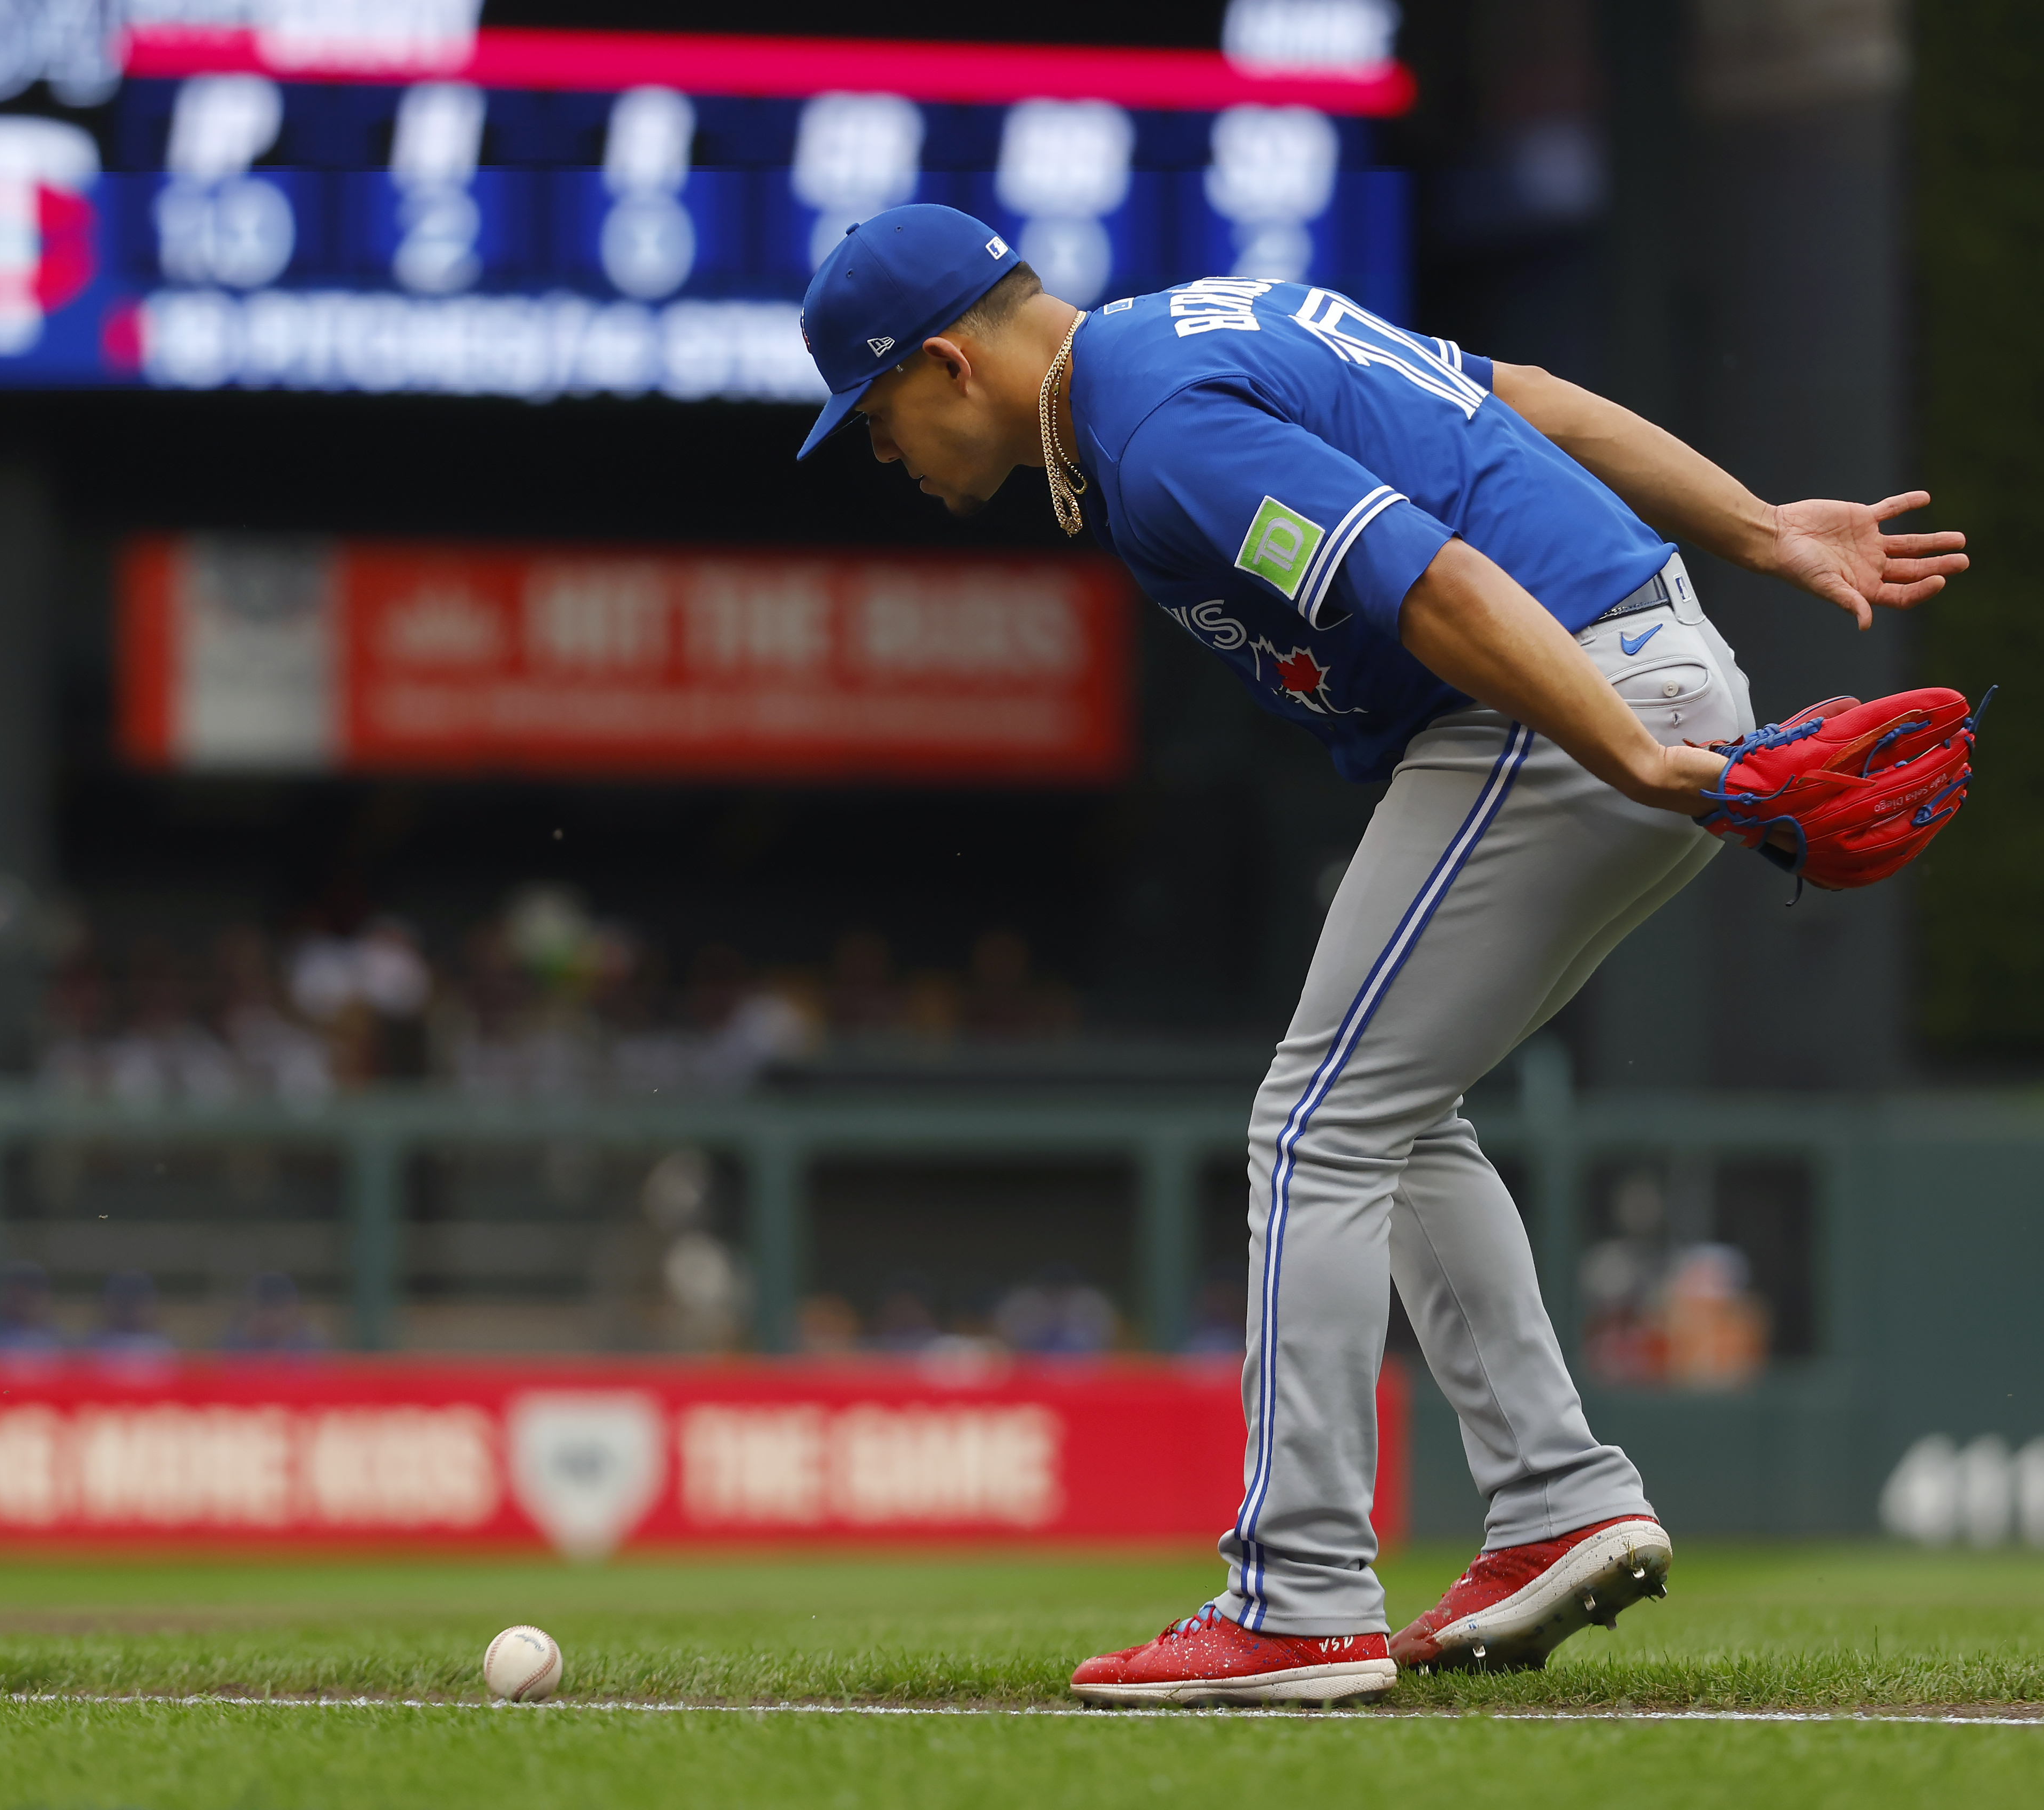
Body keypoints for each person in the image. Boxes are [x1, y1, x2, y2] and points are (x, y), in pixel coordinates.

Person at [793, 206, 1965, 1706]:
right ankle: (1559, 1498)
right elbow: (1521, 399)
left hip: (1566, 701)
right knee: (1394, 1119)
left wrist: (1637, 759)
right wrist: (1755, 528)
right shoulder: (1212, 321)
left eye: (879, 416)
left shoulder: (1155, 428)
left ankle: (1298, 1598)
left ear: (950, 362)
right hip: (1630, 671)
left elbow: (1437, 587)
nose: (883, 455)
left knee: (1315, 1128)